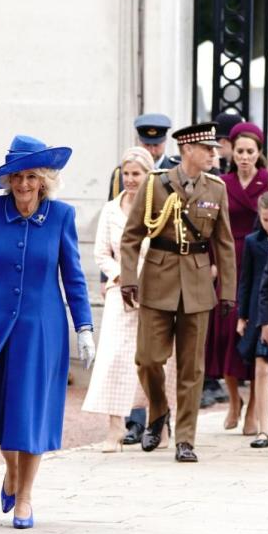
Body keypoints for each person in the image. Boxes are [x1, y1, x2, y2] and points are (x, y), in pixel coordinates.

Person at [0, 135, 94, 529]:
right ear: (8, 181)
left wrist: (85, 328)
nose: (23, 184)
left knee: (29, 412)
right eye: (16, 177)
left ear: (43, 180)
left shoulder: (61, 216)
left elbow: (74, 278)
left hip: (42, 330)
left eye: (31, 176)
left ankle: (25, 496)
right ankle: (11, 470)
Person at [120, 122, 237, 463]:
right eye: (208, 149)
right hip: (157, 277)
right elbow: (131, 236)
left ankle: (185, 439)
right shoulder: (156, 184)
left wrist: (227, 290)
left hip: (198, 283)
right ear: (188, 150)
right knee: (148, 359)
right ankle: (158, 411)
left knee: (192, 368)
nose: (215, 154)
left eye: (214, 149)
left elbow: (225, 245)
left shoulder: (216, 189)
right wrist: (129, 278)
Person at [83, 147, 176, 452]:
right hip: (119, 294)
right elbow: (101, 254)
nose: (131, 179)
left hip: (155, 292)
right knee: (114, 358)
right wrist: (121, 275)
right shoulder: (111, 210)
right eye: (126, 173)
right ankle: (115, 429)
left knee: (155, 360)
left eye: (136, 173)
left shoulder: (160, 207)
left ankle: (159, 426)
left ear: (148, 174)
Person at [205, 122, 268, 435]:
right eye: (240, 151)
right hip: (227, 263)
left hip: (259, 265)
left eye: (250, 151)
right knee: (225, 335)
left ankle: (255, 407)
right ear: (231, 151)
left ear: (258, 153)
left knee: (254, 338)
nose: (244, 157)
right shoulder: (221, 183)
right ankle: (234, 401)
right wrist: (213, 264)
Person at [236, 190, 268, 446]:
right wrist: (242, 315)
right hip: (259, 310)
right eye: (265, 219)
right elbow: (245, 279)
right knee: (261, 369)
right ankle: (263, 428)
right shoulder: (253, 242)